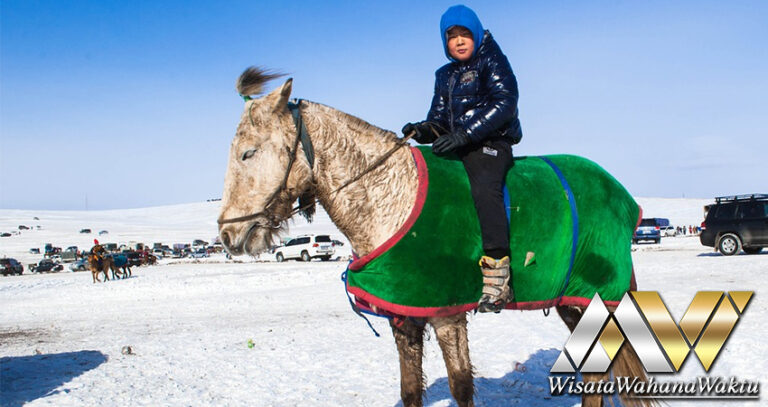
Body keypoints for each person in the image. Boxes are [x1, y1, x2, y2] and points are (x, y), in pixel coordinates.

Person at [402, 5, 522, 313]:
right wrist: (423, 129)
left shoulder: (491, 59)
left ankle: (497, 269)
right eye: (451, 36)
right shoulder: (444, 75)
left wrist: (466, 135)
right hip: (460, 142)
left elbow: (505, 102)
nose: (458, 40)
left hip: (492, 140)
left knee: (484, 185)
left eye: (464, 34)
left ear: (477, 34)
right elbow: (439, 119)